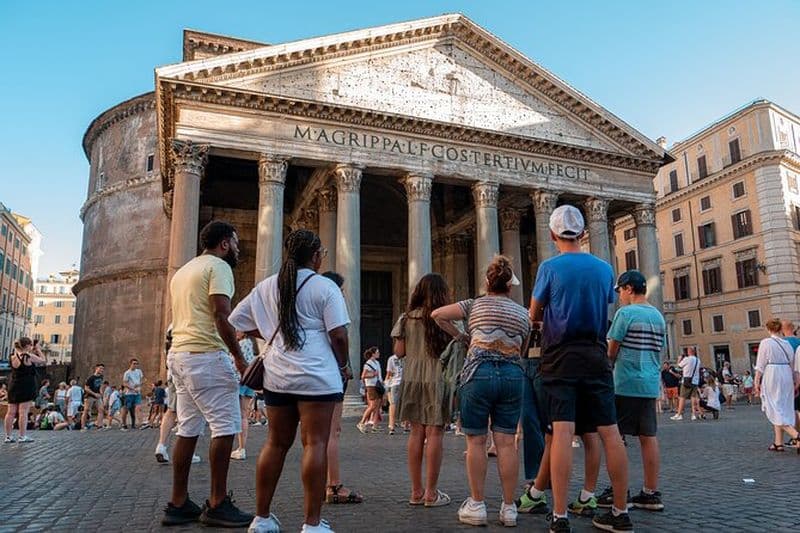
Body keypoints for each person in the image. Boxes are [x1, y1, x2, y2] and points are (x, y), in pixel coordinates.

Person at [228, 229, 351, 533]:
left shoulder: (266, 286)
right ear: (315, 255)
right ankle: (311, 523)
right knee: (315, 444)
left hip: (278, 378)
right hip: (317, 377)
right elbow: (338, 334)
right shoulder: (325, 287)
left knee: (275, 444)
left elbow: (236, 322)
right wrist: (344, 363)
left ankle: (262, 518)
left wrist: (275, 331)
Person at [526, 204, 631, 533]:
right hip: (597, 354)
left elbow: (533, 314)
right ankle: (619, 510)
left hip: (560, 355)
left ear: (553, 234)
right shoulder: (604, 269)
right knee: (610, 433)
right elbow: (605, 305)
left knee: (562, 432)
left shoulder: (550, 267)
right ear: (584, 234)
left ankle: (559, 516)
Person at [162, 220, 252, 527]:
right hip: (206, 355)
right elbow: (220, 313)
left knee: (187, 428)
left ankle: (178, 502)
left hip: (179, 355)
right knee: (225, 426)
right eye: (236, 243)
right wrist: (239, 358)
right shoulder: (219, 267)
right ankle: (217, 502)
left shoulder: (183, 271)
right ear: (225, 243)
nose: (238, 249)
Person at [433, 256, 530, 527]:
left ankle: (477, 504)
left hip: (478, 373)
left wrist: (462, 336)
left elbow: (437, 315)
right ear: (510, 286)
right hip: (512, 375)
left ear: (487, 282)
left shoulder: (474, 305)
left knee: (476, 442)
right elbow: (522, 348)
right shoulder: (522, 313)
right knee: (507, 443)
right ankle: (509, 508)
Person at [598, 270, 667, 512]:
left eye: (619, 291)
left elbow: (611, 349)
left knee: (616, 439)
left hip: (625, 383)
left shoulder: (625, 313)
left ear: (628, 288)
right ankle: (650, 493)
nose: (619, 296)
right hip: (649, 384)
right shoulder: (658, 316)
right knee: (649, 438)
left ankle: (619, 491)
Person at [392, 273, 454, 510]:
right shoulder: (444, 318)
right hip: (437, 376)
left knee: (416, 433)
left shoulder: (407, 318)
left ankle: (415, 491)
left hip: (413, 377)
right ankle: (431, 492)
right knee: (435, 434)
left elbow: (399, 352)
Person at [320, 270, 363, 506]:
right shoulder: (333, 307)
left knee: (315, 435)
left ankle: (318, 483)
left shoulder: (309, 308)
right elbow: (339, 336)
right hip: (331, 375)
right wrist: (345, 365)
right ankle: (334, 486)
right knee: (332, 432)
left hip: (311, 374)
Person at [155, 326, 201, 466]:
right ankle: (188, 451)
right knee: (191, 413)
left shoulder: (172, 327)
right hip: (189, 371)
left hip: (173, 373)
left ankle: (161, 446)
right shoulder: (190, 322)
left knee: (171, 410)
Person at [754, 318, 800, 452]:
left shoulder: (766, 342)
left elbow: (760, 364)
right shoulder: (786, 344)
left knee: (774, 407)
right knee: (784, 407)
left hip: (772, 374)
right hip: (786, 374)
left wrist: (757, 382)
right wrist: (794, 381)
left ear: (768, 329)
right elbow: (792, 364)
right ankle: (778, 443)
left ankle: (796, 435)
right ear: (780, 329)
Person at [4, 338, 47, 443]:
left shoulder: (12, 357)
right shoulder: (28, 356)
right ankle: (22, 436)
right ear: (27, 345)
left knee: (10, 412)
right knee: (23, 412)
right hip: (26, 386)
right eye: (30, 345)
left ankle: (8, 437)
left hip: (13, 385)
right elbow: (43, 360)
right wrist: (38, 350)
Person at [231, 331, 257, 461]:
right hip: (250, 381)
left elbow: (234, 363)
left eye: (238, 330)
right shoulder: (251, 344)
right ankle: (242, 448)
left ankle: (239, 448)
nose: (235, 332)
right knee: (244, 415)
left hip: (239, 380)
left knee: (236, 415)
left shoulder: (241, 344)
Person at [357, 347, 383, 433]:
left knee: (377, 405)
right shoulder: (368, 364)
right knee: (372, 405)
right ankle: (362, 422)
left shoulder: (377, 363)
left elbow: (379, 375)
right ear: (373, 354)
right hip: (371, 385)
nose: (379, 353)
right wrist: (373, 375)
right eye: (377, 352)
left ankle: (375, 425)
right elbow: (363, 376)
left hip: (377, 385)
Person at [671, 348, 701, 421]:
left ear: (689, 352)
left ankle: (679, 414)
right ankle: (693, 414)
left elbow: (678, 367)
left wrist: (679, 359)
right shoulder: (698, 360)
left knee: (682, 397)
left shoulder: (687, 359)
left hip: (686, 380)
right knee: (693, 397)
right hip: (695, 381)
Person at [119, 358, 144, 430]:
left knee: (138, 408)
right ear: (130, 364)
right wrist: (132, 388)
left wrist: (139, 384)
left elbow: (142, 380)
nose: (135, 365)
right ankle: (124, 424)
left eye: (136, 364)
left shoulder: (139, 371)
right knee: (126, 410)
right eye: (134, 364)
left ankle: (141, 424)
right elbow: (125, 383)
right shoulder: (127, 373)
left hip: (137, 393)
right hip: (129, 394)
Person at [81, 364, 106, 431]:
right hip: (89, 396)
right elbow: (86, 388)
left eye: (103, 369)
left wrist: (101, 392)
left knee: (101, 409)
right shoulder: (91, 378)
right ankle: (83, 426)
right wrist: (94, 394)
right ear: (96, 369)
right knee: (86, 410)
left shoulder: (101, 377)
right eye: (100, 368)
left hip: (97, 396)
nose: (102, 370)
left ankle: (99, 426)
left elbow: (100, 385)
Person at [385, 351, 403, 435]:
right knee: (406, 403)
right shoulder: (406, 358)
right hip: (404, 382)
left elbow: (389, 373)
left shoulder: (391, 359)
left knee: (393, 404)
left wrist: (386, 384)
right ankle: (406, 425)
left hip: (394, 383)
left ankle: (391, 425)